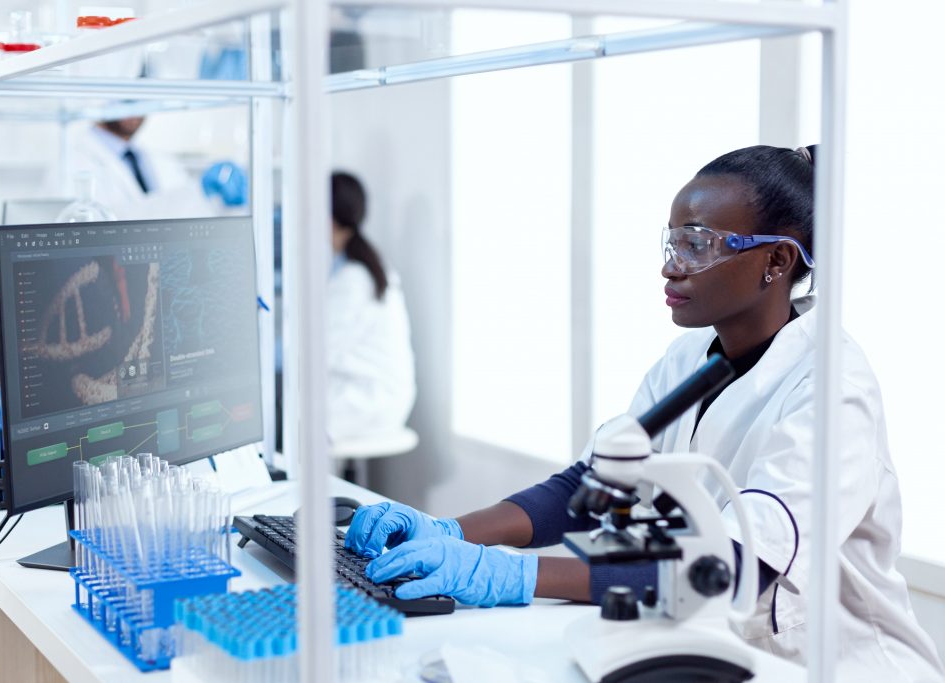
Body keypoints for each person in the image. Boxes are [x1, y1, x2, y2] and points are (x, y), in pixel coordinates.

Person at [344, 145, 944, 679]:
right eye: (671, 241)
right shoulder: (688, 355)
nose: (669, 265)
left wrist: (513, 577)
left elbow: (737, 569)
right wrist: (451, 531)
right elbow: (593, 483)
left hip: (831, 665)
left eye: (697, 244)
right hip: (706, 644)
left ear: (777, 262)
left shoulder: (832, 387)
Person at [325, 171, 416, 442]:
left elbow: (320, 351)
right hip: (379, 396)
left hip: (367, 402)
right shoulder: (365, 266)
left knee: (289, 415)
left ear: (329, 219)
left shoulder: (353, 279)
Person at [61, 116, 245, 220]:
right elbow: (112, 225)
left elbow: (183, 219)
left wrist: (217, 201)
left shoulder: (157, 158)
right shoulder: (70, 163)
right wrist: (197, 191)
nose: (135, 109)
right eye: (126, 96)